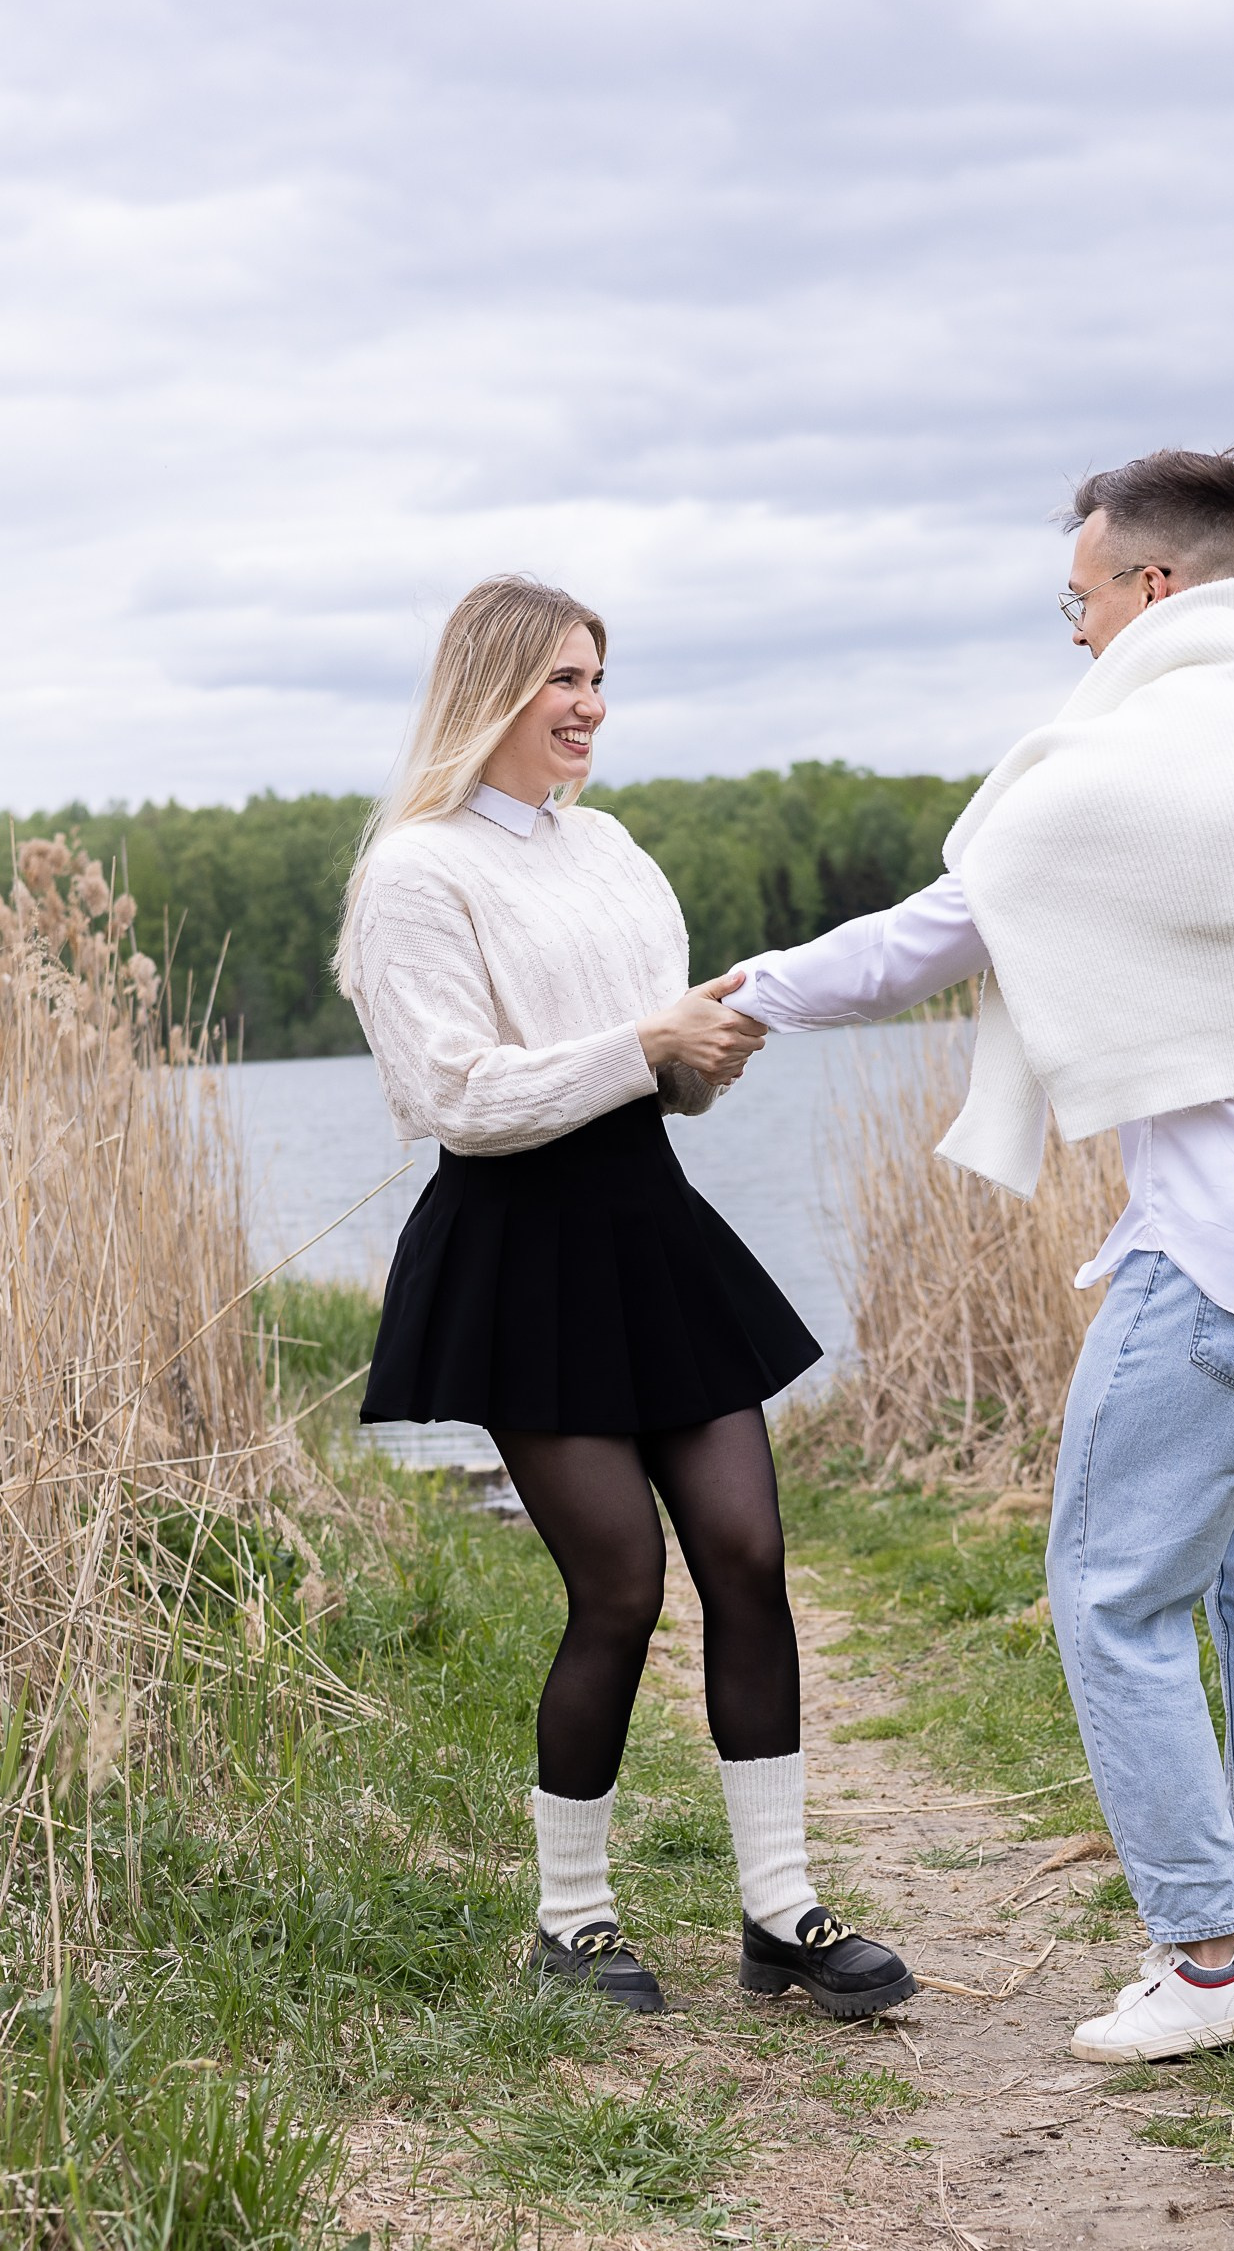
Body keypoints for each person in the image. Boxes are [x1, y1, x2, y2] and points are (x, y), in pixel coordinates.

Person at [727, 449, 1234, 2064]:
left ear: (1154, 585)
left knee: (1111, 1592)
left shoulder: (1133, 759)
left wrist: (743, 994)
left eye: (1082, 601)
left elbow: (939, 933)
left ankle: (1201, 1950)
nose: (1080, 636)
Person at [337, 574, 916, 2023]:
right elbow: (456, 1097)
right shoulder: (417, 871)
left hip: (647, 1223)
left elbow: (653, 1078)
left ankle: (782, 1916)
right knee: (618, 1588)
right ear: (489, 692)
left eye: (597, 677)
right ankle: (573, 1925)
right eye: (559, 680)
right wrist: (643, 1037)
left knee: (746, 1551)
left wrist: (695, 1060)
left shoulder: (615, 853)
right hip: (518, 1248)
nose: (588, 706)